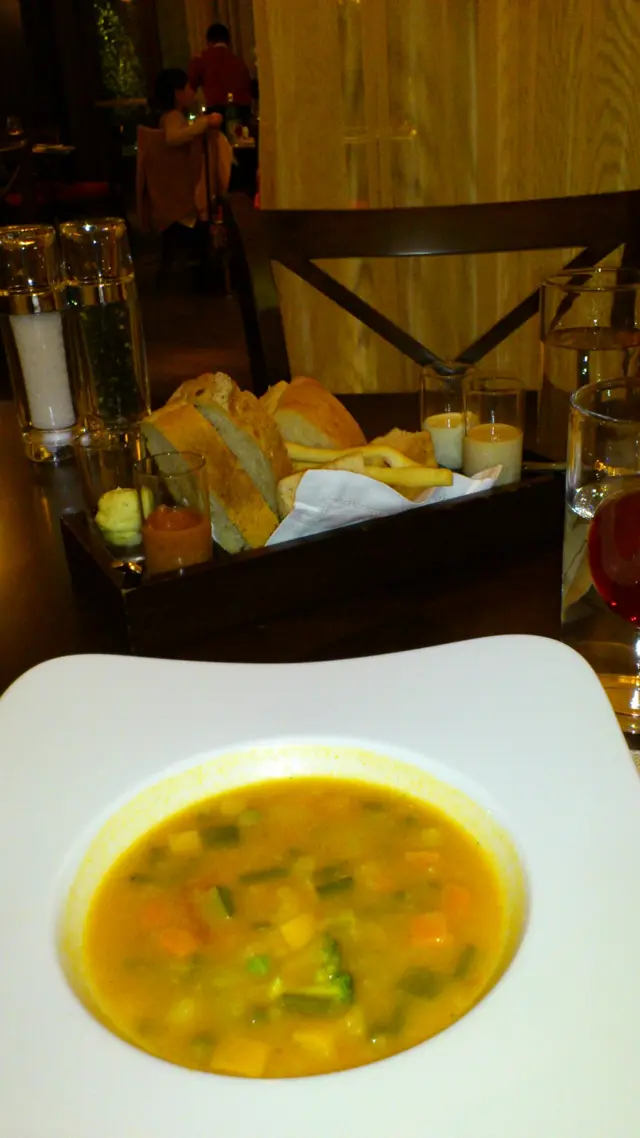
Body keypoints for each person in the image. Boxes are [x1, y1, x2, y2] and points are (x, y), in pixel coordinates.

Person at [138, 69, 230, 290]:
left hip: (169, 193)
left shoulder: (167, 116)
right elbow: (173, 138)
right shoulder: (173, 117)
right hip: (179, 197)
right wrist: (205, 123)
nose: (192, 92)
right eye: (188, 87)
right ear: (177, 93)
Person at [188, 23, 252, 119]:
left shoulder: (202, 59)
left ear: (209, 42)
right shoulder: (239, 62)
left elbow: (189, 91)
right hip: (243, 112)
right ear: (228, 42)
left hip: (217, 114)